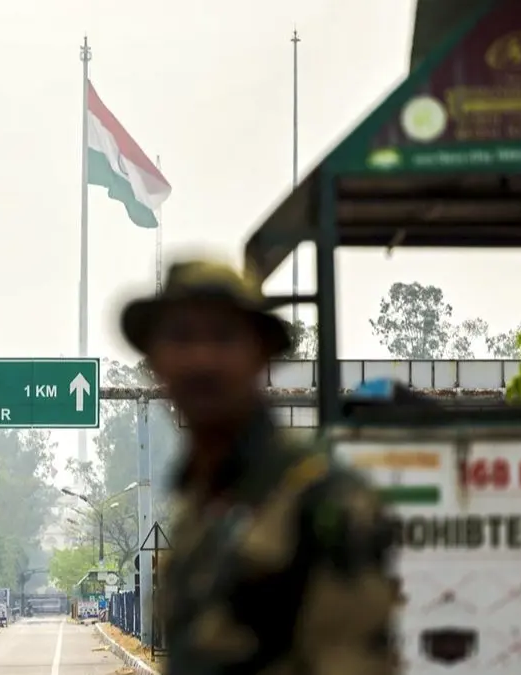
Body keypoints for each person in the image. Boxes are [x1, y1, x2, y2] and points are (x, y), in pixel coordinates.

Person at [119, 258, 398, 675]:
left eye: (224, 337)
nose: (202, 360)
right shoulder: (198, 508)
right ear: (156, 364)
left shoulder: (323, 502)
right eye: (180, 338)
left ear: (262, 356)